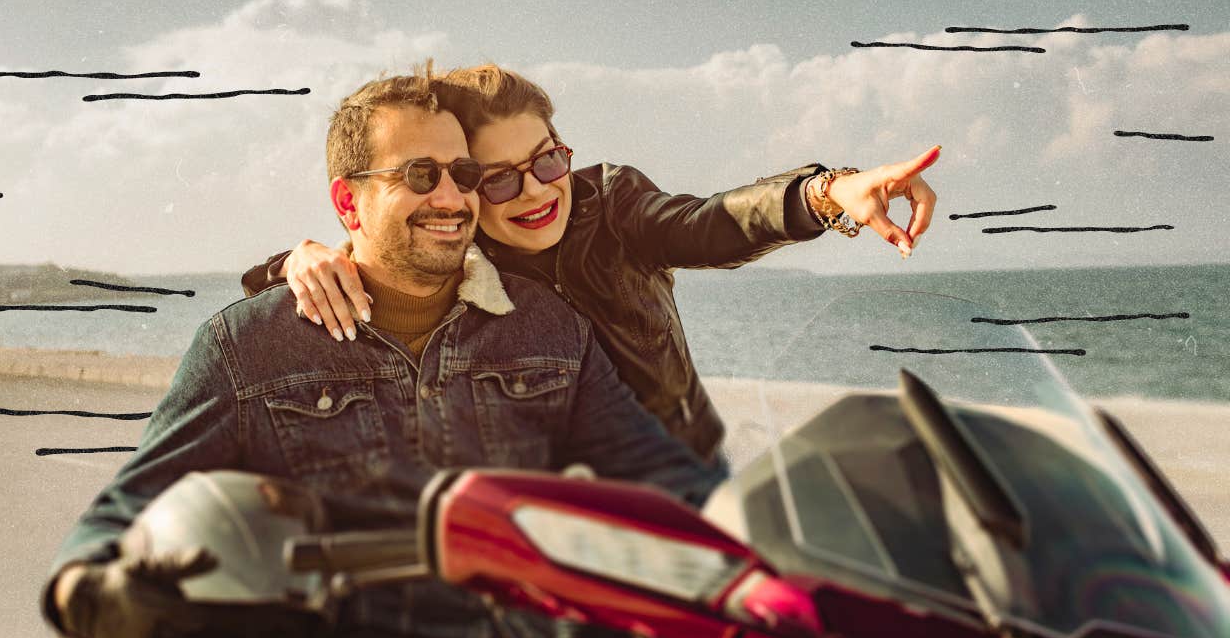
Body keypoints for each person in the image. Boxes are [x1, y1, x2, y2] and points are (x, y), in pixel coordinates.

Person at [39, 70, 722, 638]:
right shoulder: (247, 346)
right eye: (420, 175)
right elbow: (122, 512)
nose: (452, 199)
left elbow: (660, 475)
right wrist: (89, 594)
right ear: (347, 202)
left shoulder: (546, 324)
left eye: (464, 175)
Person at [243, 64, 940, 462]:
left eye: (548, 158)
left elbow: (715, 223)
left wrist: (825, 193)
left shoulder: (612, 202)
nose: (539, 188)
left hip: (682, 480)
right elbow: (378, 261)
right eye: (501, 178)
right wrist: (296, 262)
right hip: (555, 523)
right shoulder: (454, 256)